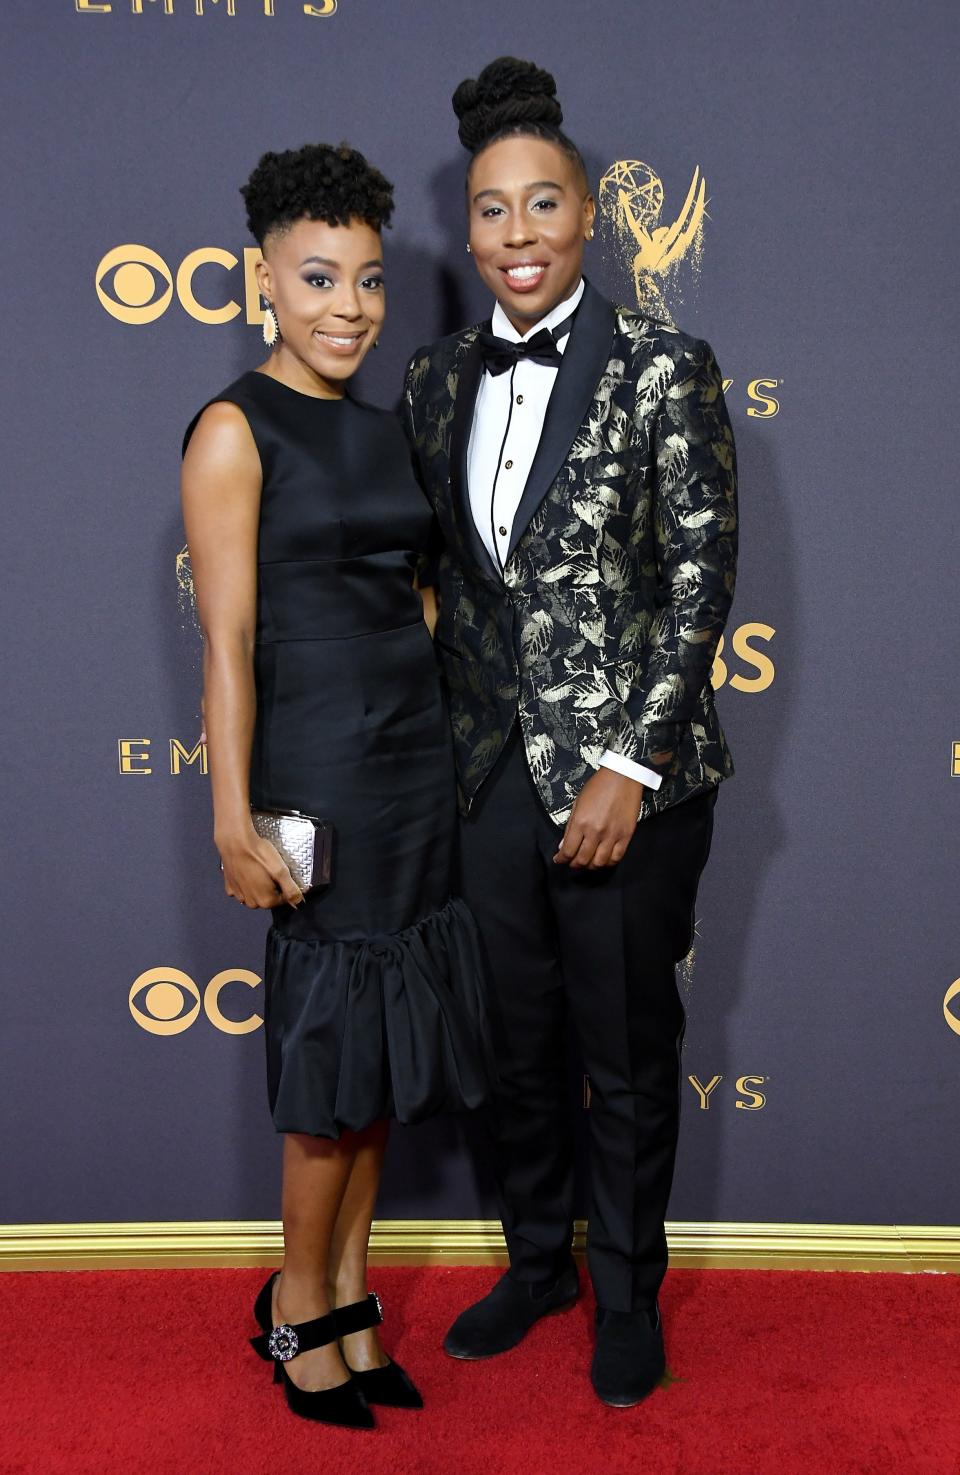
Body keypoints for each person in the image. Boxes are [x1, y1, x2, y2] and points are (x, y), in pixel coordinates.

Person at [403, 58, 738, 1408]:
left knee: (624, 1052)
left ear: (588, 217)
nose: (520, 232)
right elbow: (430, 578)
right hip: (483, 777)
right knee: (509, 1048)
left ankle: (626, 1293)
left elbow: (704, 576)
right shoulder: (431, 380)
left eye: (545, 203)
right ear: (471, 232)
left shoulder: (665, 365)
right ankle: (536, 1258)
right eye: (494, 211)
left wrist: (628, 764)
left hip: (629, 790)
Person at [181, 142, 492, 1430]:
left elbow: (415, 597)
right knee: (327, 1075)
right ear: (261, 278)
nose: (348, 309)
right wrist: (231, 812)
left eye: (366, 281)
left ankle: (350, 1291)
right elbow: (229, 648)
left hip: (414, 772)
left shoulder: (385, 428)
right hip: (316, 777)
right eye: (317, 278)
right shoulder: (231, 432)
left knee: (375, 1063)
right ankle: (295, 1303)